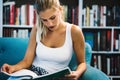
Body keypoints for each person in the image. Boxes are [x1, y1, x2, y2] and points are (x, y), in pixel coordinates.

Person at [1, 0, 86, 79]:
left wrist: (77, 73)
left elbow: (82, 63)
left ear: (60, 9)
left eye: (53, 18)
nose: (49, 24)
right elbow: (27, 61)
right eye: (44, 20)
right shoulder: (37, 29)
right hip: (32, 74)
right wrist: (12, 68)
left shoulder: (74, 31)